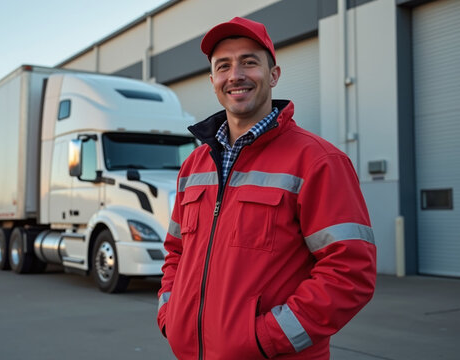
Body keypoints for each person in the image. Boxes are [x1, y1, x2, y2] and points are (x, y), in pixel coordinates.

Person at [157, 17, 377, 359]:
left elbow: (350, 272)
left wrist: (264, 338)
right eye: (224, 65)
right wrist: (171, 316)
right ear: (213, 80)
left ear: (273, 75)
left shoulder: (318, 160)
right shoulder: (194, 165)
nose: (236, 75)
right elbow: (175, 253)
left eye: (249, 62)